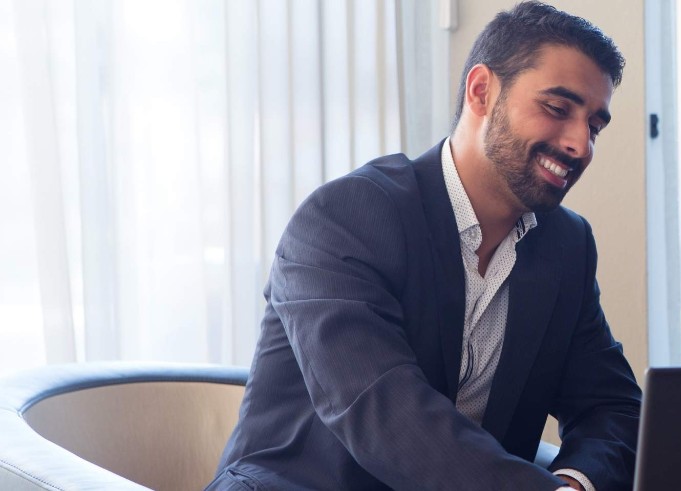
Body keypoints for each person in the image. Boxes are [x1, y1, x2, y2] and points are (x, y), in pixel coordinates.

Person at [208, 3, 640, 490]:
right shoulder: (346, 217)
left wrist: (576, 483)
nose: (580, 144)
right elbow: (384, 412)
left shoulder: (567, 245)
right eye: (557, 109)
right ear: (482, 91)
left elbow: (612, 406)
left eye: (595, 126)